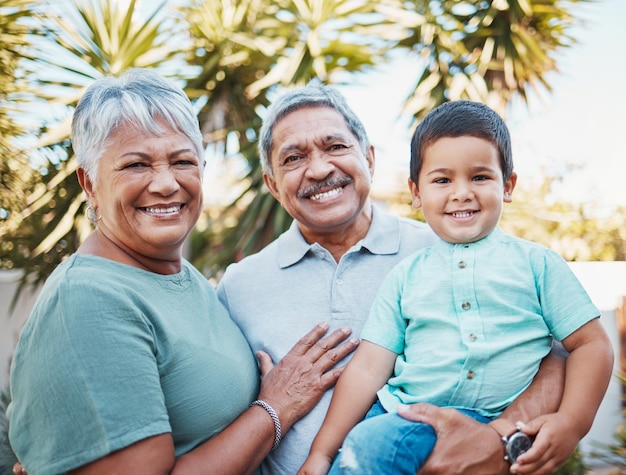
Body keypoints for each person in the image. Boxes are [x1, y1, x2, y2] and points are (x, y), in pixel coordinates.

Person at [7, 69, 359, 475]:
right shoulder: (87, 299)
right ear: (89, 183)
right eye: (136, 164)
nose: (165, 183)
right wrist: (276, 407)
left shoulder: (184, 278)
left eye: (182, 161)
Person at [216, 83, 571, 475]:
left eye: (335, 147)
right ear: (272, 185)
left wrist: (501, 440)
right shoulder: (238, 286)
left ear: (369, 158)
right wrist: (276, 405)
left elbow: (554, 355)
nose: (318, 169)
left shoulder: (449, 249)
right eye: (294, 157)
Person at [299, 100, 614, 475]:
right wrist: (321, 452)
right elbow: (368, 369)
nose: (461, 192)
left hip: (499, 423)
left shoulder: (538, 265)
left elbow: (591, 344)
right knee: (367, 447)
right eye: (442, 180)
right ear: (416, 193)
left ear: (508, 185)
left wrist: (572, 422)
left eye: (480, 177)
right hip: (409, 419)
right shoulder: (405, 276)